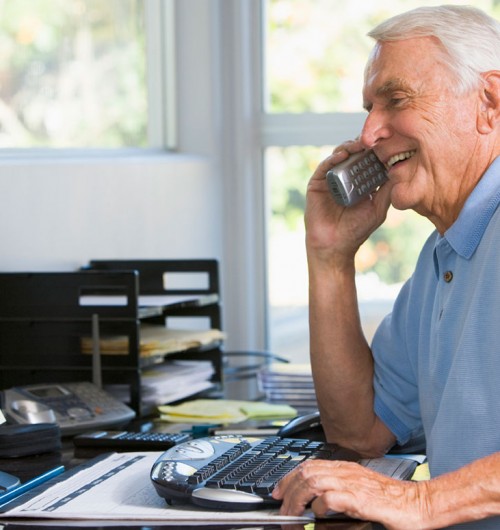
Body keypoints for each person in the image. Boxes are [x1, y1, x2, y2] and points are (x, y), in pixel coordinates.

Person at [271, 5, 500, 529]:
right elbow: (359, 433)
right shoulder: (444, 252)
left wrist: (421, 501)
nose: (370, 131)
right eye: (369, 108)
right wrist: (330, 258)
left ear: (489, 101)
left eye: (396, 100)